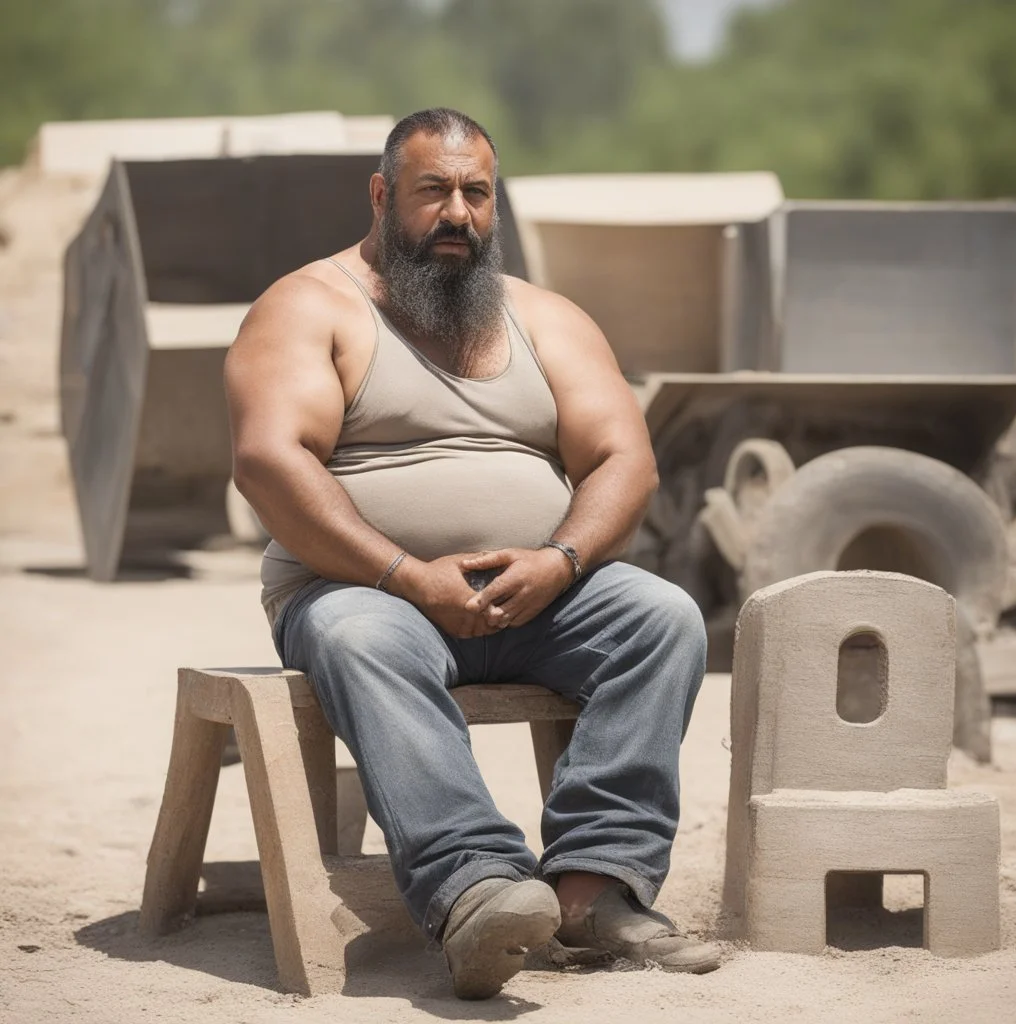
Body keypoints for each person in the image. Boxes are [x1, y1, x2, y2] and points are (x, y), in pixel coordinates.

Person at [225, 107, 717, 1000]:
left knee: (662, 616)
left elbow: (624, 458)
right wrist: (408, 575)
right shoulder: (311, 306)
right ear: (382, 196)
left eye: (476, 193)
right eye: (433, 191)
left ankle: (591, 893)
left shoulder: (544, 316)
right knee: (359, 639)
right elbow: (269, 460)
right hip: (364, 592)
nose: (458, 213)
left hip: (538, 594)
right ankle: (479, 888)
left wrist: (561, 561)